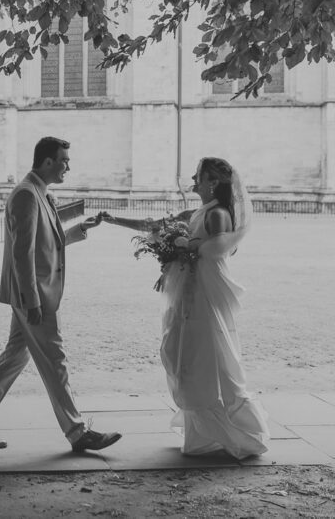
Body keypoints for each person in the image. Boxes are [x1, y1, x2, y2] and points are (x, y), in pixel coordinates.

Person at [0, 136, 122, 453]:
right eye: (64, 161)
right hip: (35, 295)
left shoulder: (38, 192)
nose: (68, 167)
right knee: (55, 359)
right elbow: (23, 253)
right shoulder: (26, 195)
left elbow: (47, 244)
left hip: (35, 292)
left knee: (15, 357)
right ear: (48, 161)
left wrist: (81, 229)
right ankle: (77, 431)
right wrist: (32, 301)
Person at [103, 157, 270, 459]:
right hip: (188, 293)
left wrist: (185, 246)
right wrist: (114, 220)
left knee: (206, 357)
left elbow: (218, 250)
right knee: (182, 353)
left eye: (198, 176)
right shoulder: (198, 212)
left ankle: (232, 432)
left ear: (213, 183)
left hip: (205, 295)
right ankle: (201, 433)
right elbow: (154, 225)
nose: (193, 180)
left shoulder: (218, 214)